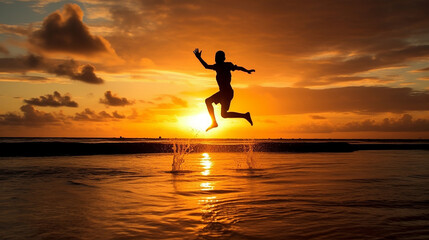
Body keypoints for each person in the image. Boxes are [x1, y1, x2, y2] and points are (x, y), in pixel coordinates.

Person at [193, 48, 254, 131]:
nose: (216, 59)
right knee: (224, 114)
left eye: (217, 58)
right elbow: (206, 66)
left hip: (227, 92)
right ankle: (245, 116)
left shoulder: (226, 65)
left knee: (208, 101)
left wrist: (247, 70)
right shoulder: (217, 66)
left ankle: (214, 122)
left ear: (221, 58)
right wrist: (199, 58)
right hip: (224, 93)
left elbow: (238, 67)